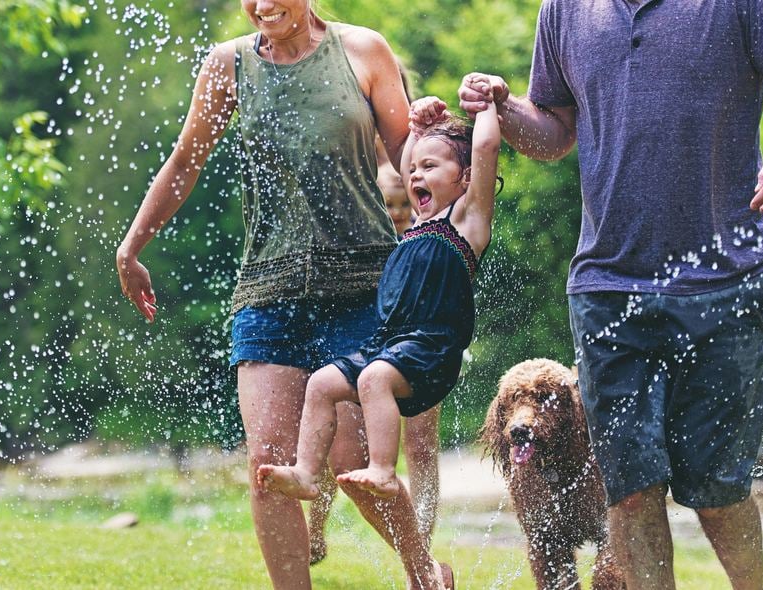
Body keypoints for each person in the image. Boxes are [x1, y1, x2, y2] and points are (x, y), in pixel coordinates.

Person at [458, 0, 763, 587]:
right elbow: (556, 133)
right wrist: (505, 107)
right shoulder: (563, 8)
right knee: (631, 491)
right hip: (608, 287)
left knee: (717, 491)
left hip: (726, 283)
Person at [116, 2, 452, 588]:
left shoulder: (363, 51)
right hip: (268, 289)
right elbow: (184, 163)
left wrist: (432, 143)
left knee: (351, 462)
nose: (263, 6)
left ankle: (425, 573)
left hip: (362, 287)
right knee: (267, 466)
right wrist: (132, 246)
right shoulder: (229, 65)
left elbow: (410, 162)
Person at [256, 91, 501, 567]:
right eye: (413, 170)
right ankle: (308, 473)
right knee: (323, 382)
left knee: (372, 379)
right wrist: (415, 127)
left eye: (431, 168)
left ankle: (385, 471)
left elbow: (486, 148)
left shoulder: (466, 222)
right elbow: (405, 160)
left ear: (466, 178)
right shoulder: (411, 225)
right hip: (387, 346)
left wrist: (484, 106)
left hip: (429, 351)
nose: (416, 175)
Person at [306, 138, 444, 565]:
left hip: (419, 344)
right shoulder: (363, 223)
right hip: (363, 343)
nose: (399, 212)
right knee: (338, 446)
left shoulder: (427, 231)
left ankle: (419, 545)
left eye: (405, 203)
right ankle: (315, 530)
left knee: (422, 445)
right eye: (389, 204)